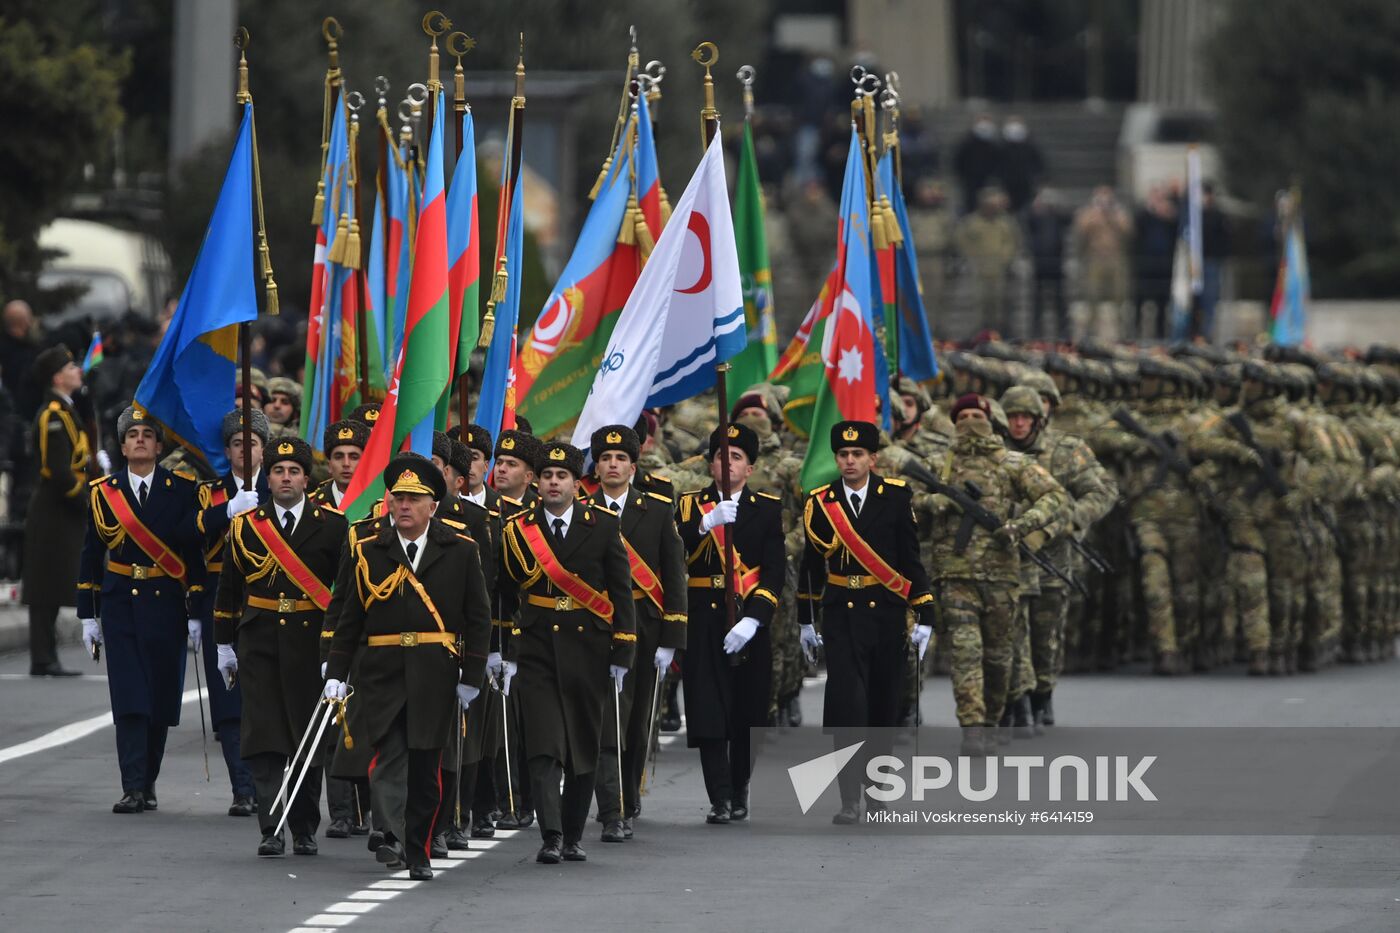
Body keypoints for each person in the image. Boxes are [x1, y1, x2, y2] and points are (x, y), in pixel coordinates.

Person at [322, 456, 492, 881]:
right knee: (388, 755)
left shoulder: (461, 550)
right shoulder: (367, 550)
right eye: (398, 498)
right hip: (381, 671)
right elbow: (349, 618)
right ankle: (392, 834)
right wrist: (336, 673)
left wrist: (471, 678)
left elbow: (478, 618)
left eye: (414, 499)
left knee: (425, 768)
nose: (404, 506)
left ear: (432, 506)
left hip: (435, 673)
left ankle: (417, 848)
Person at [497, 441, 636, 864]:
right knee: (543, 745)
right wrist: (500, 651)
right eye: (547, 476)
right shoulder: (518, 528)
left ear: (578, 483)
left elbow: (621, 591)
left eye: (562, 477)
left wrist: (622, 651)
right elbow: (503, 594)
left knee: (583, 745)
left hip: (589, 648)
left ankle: (573, 834)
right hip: (536, 646)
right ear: (536, 483)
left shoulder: (604, 525)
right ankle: (551, 834)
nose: (554, 483)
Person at [213, 436, 348, 857]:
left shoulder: (333, 525)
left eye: (293, 471)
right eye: (277, 471)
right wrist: (224, 645)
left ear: (307, 478)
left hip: (311, 645)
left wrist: (338, 653)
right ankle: (271, 828)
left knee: (307, 739)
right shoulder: (245, 525)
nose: (285, 478)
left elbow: (342, 596)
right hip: (260, 640)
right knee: (266, 737)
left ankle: (304, 826)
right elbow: (229, 590)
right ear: (266, 478)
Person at [798, 420, 935, 823]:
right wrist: (806, 619)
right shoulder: (820, 502)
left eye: (858, 454)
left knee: (881, 705)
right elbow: (810, 566)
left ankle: (877, 794)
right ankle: (849, 799)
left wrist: (925, 612)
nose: (850, 461)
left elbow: (911, 560)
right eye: (843, 454)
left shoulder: (894, 498)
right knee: (847, 706)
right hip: (842, 613)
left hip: (887, 613)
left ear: (873, 459)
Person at [917, 394, 1066, 756]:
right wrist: (937, 502)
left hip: (1002, 577)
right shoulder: (938, 465)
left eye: (976, 415)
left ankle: (993, 718)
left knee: (999, 658)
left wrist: (1021, 526)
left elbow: (1054, 496)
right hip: (954, 577)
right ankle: (973, 729)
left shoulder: (1012, 463)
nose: (969, 421)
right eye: (962, 415)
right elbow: (908, 503)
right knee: (965, 653)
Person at [77, 406, 206, 812]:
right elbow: (90, 553)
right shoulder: (104, 491)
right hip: (121, 604)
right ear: (122, 445)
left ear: (159, 445)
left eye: (147, 434)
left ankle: (148, 778)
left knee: (160, 699)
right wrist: (87, 613)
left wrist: (198, 608)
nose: (139, 440)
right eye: (132, 435)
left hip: (166, 601)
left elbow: (193, 554)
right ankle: (132, 785)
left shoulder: (182, 489)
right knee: (130, 697)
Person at [675, 423, 785, 824]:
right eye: (720, 456)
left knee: (747, 712)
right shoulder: (690, 506)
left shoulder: (767, 509)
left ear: (750, 468)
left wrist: (754, 620)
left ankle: (739, 788)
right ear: (710, 463)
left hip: (747, 620)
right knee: (707, 709)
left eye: (736, 457)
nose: (727, 463)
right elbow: (673, 553)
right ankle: (719, 797)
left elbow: (775, 573)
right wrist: (706, 523)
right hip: (704, 614)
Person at [586, 425, 687, 843]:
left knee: (637, 719)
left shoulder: (658, 509)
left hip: (644, 627)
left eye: (620, 459)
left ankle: (627, 794)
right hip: (597, 626)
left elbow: (674, 573)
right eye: (606, 459)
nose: (612, 465)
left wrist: (670, 637)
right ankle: (613, 807)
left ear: (633, 465)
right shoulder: (581, 509)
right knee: (606, 717)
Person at [190, 410, 266, 816]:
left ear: (263, 450)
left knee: (266, 692)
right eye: (238, 443)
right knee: (228, 694)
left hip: (269, 597)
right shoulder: (210, 493)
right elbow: (189, 533)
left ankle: (267, 784)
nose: (244, 450)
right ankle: (242, 788)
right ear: (227, 451)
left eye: (252, 443)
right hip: (220, 596)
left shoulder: (281, 487)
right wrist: (228, 511)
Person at [24, 346, 91, 676]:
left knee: (51, 584)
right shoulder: (53, 415)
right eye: (71, 366)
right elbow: (58, 471)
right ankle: (42, 657)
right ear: (57, 377)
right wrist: (88, 501)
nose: (78, 370)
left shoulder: (66, 410)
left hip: (62, 508)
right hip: (54, 508)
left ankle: (46, 655)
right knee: (44, 586)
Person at [956, 187, 1021, 336]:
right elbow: (961, 240)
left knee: (998, 304)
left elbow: (1013, 242)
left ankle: (998, 332)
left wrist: (1004, 258)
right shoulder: (972, 222)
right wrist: (972, 256)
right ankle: (978, 333)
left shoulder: (1005, 223)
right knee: (978, 303)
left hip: (999, 269)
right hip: (978, 269)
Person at [1072, 186, 1134, 339]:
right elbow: (1080, 230)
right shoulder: (1089, 214)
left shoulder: (1119, 213)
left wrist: (1112, 216)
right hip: (1094, 258)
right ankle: (1091, 330)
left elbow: (1129, 231)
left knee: (1120, 295)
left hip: (1116, 259)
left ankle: (1122, 330)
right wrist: (1096, 214)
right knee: (1092, 294)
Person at [1026, 189, 1071, 339]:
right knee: (1037, 302)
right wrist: (1035, 207)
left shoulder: (1057, 217)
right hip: (1039, 264)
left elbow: (1068, 218)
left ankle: (1063, 331)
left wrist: (1057, 205)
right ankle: (1035, 332)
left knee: (1060, 302)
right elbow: (1026, 220)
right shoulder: (1034, 218)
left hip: (1056, 264)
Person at [309, 419, 367, 511]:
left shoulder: (379, 505)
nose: (346, 464)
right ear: (329, 465)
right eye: (339, 457)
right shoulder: (311, 505)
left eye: (354, 457)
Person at [999, 115, 1045, 214]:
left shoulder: (1030, 146)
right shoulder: (1001, 147)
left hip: (1026, 184)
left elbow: (1039, 164)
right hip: (1007, 185)